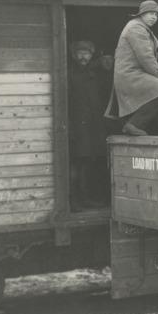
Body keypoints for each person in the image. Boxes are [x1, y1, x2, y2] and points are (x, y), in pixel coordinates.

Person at [104, 0, 158, 136]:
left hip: (133, 73)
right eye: (150, 13)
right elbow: (146, 57)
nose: (154, 17)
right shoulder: (136, 29)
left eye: (156, 14)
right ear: (141, 13)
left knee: (157, 93)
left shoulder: (138, 27)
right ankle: (134, 125)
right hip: (131, 74)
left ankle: (140, 127)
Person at [68, 40, 109, 209]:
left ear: (91, 55)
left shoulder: (95, 75)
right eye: (80, 53)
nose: (83, 56)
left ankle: (89, 197)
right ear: (74, 55)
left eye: (87, 53)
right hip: (78, 127)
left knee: (92, 162)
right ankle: (76, 200)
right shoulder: (70, 74)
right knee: (78, 164)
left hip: (94, 127)